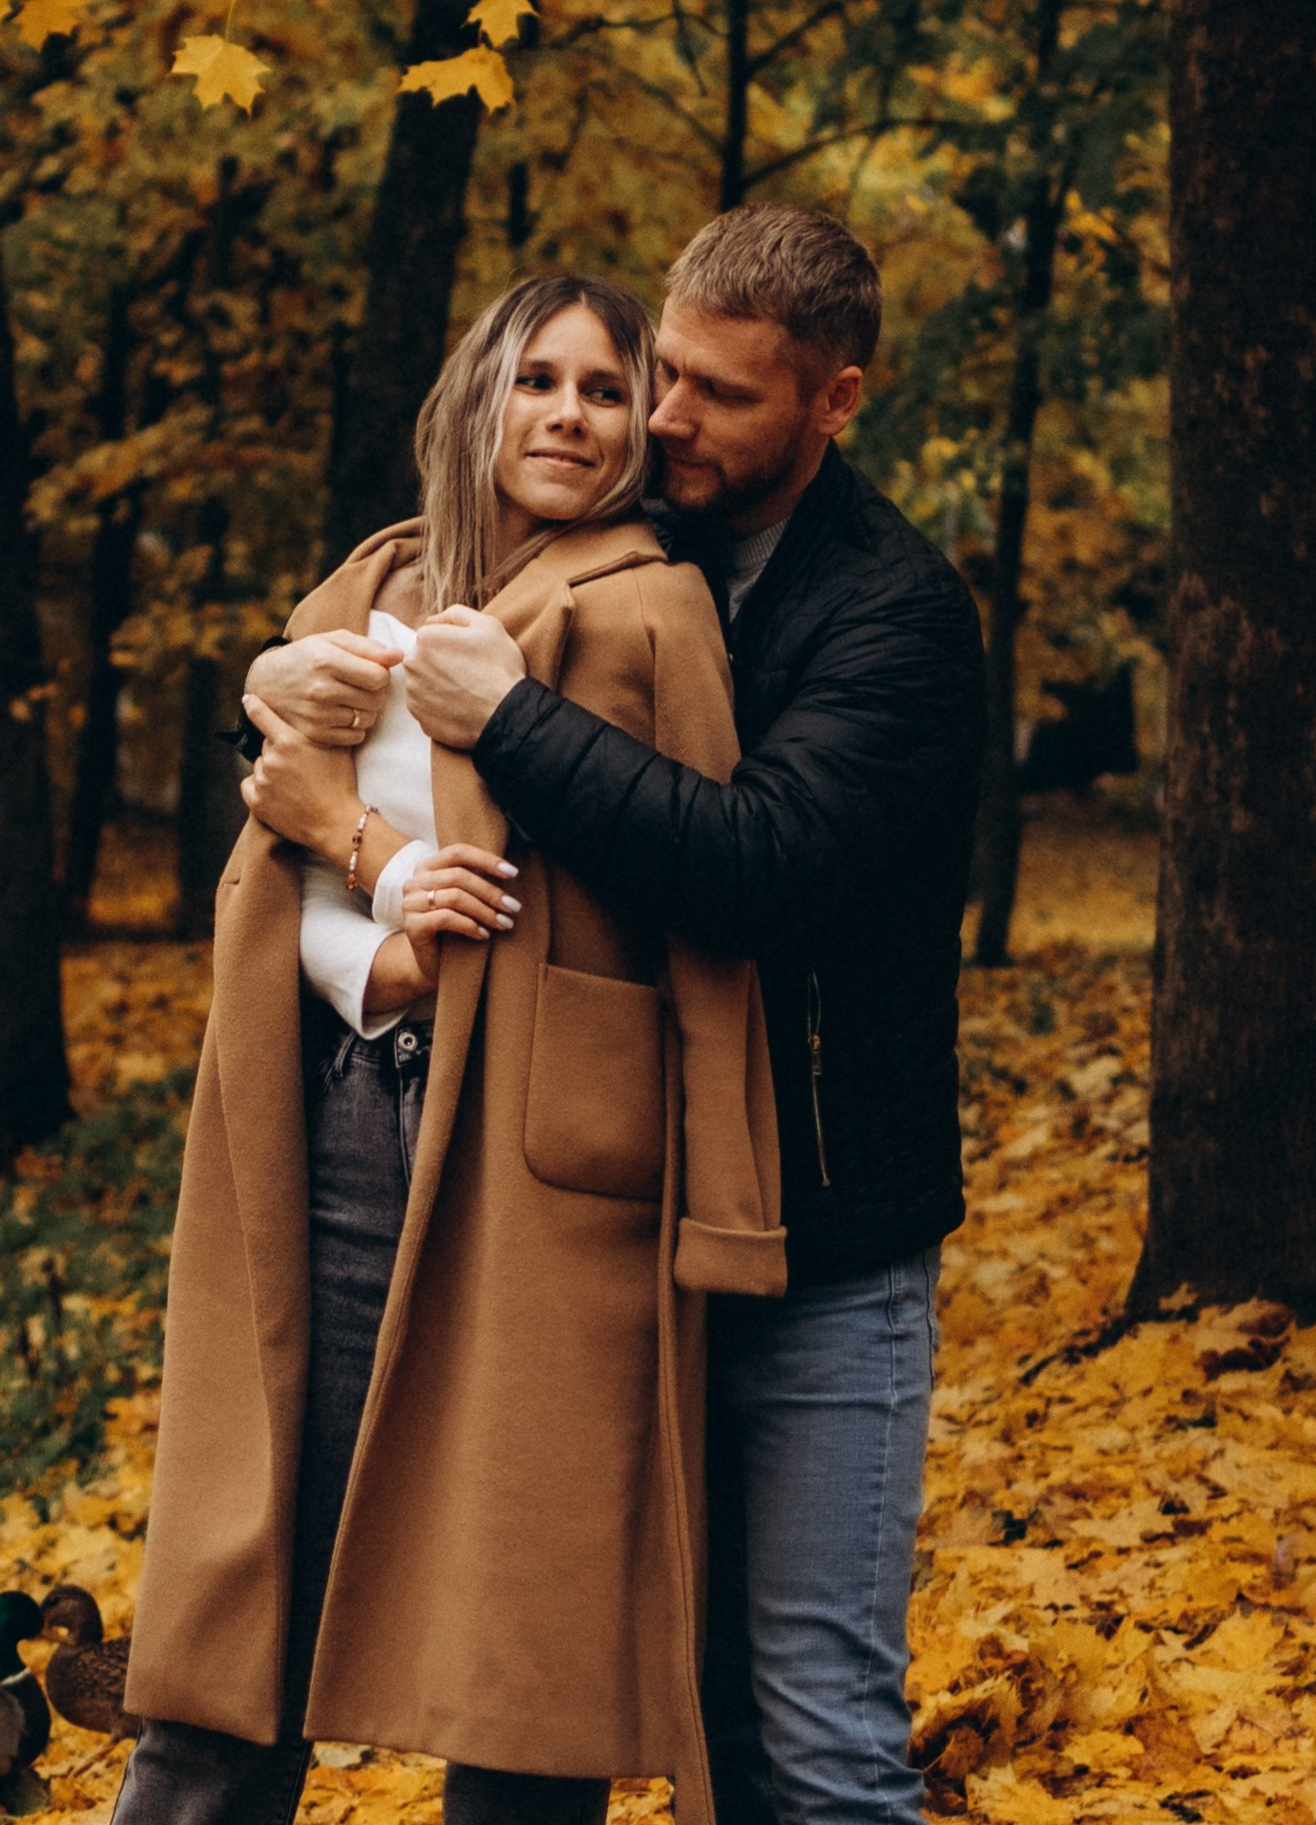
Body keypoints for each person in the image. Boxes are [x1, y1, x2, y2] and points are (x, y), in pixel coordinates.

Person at [246, 206, 983, 1825]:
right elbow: (403, 625)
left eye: (714, 395)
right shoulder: (640, 544)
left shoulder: (894, 618)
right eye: (663, 375)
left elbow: (756, 867)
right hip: (628, 1222)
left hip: (820, 1235)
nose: (660, 421)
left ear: (833, 402)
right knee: (625, 1687)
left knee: (810, 1725)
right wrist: (275, 686)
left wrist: (504, 723)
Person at [117, 273, 784, 1825]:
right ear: (476, 400)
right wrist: (386, 943)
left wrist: (727, 1214)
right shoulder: (362, 590)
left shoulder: (650, 605)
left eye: (606, 392)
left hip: (554, 1158)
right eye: (536, 380)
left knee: (522, 1630)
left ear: (636, 434)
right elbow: (268, 870)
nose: (567, 414)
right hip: (344, 1112)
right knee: (250, 1553)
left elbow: (705, 913)